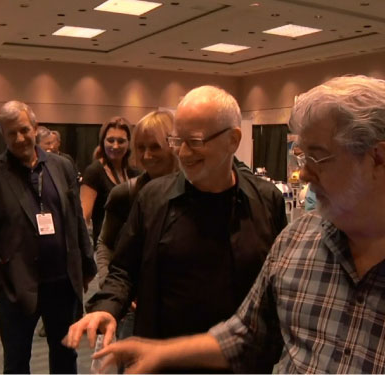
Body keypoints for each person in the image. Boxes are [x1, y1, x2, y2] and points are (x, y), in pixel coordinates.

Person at [90, 76, 385, 374]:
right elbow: (247, 334)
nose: (302, 176)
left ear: (378, 158)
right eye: (300, 157)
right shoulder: (299, 239)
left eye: (317, 157)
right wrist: (162, 353)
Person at [63, 86, 288, 370]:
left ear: (233, 140)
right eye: (176, 140)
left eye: (194, 141)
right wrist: (108, 308)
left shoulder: (267, 201)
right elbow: (123, 271)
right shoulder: (152, 198)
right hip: (164, 358)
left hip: (242, 362)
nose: (182, 152)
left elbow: (278, 285)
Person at [0, 100, 96, 374]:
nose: (19, 138)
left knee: (65, 358)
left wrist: (86, 264)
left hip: (63, 285)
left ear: (35, 128)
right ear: (1, 134)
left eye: (24, 129)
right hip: (17, 288)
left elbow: (75, 219)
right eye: (11, 132)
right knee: (16, 363)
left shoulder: (62, 166)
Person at [95, 110, 178, 281]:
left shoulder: (195, 191)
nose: (147, 156)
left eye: (155, 147)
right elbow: (105, 244)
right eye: (141, 148)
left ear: (173, 146)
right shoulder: (124, 193)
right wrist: (108, 283)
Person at [80, 117, 137, 245]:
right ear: (102, 142)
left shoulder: (134, 172)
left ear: (129, 143)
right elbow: (84, 217)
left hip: (129, 247)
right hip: (104, 248)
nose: (115, 146)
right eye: (110, 140)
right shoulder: (94, 172)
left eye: (121, 141)